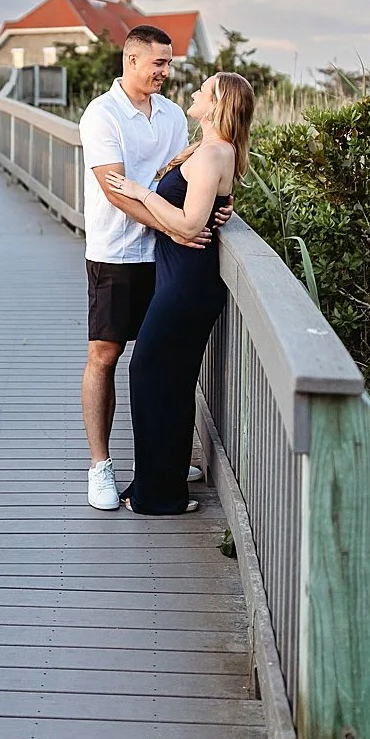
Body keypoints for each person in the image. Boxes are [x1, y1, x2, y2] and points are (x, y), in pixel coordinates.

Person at [77, 25, 229, 511]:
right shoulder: (102, 115)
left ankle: (164, 458)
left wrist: (212, 209)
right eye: (159, 64)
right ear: (131, 60)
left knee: (164, 364)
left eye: (170, 63)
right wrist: (178, 227)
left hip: (166, 255)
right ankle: (100, 467)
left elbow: (182, 177)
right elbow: (114, 189)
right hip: (118, 253)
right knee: (106, 354)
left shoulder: (169, 115)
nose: (168, 72)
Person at [106, 71, 255, 514]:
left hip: (187, 286)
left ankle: (160, 496)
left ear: (218, 105)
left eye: (203, 91)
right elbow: (200, 211)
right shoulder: (209, 150)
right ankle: (156, 484)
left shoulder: (213, 154)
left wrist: (139, 193)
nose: (193, 92)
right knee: (167, 382)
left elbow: (189, 225)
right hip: (179, 280)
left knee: (149, 375)